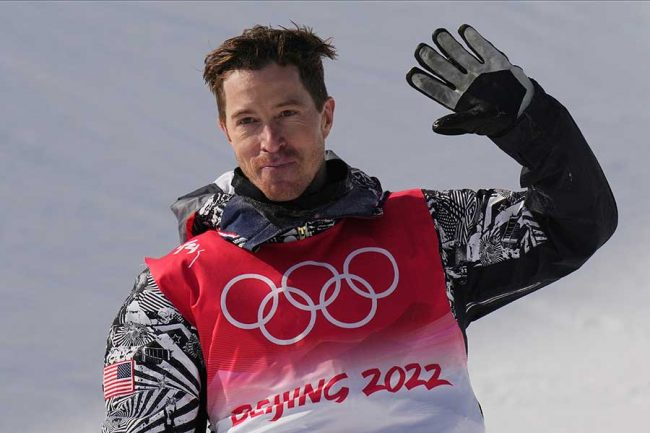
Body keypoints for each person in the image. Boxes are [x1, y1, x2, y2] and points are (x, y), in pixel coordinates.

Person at [102, 24, 617, 433]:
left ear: (325, 116)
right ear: (225, 130)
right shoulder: (174, 291)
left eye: (288, 113)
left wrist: (529, 123)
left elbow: (573, 223)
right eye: (248, 121)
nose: (271, 141)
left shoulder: (430, 228)